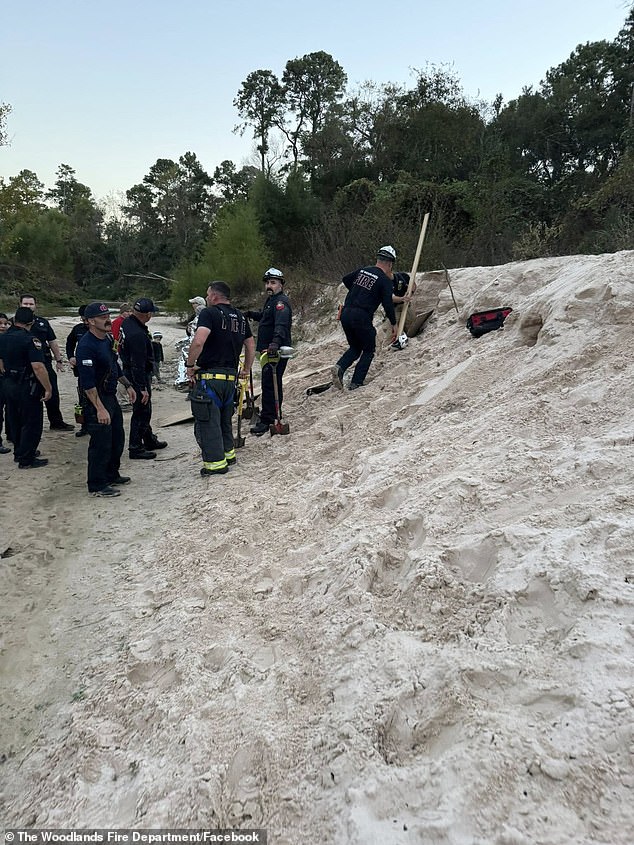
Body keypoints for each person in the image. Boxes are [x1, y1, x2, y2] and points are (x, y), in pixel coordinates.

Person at [185, 282, 255, 476]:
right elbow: (250, 344)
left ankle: (215, 465)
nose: (207, 298)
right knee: (225, 420)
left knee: (208, 423)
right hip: (230, 380)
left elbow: (199, 341)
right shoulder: (240, 317)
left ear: (214, 296)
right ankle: (228, 455)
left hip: (210, 379)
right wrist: (247, 369)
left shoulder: (209, 313)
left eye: (208, 295)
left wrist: (190, 365)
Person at [76, 302, 137, 497]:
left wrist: (127, 385)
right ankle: (97, 484)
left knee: (116, 438)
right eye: (102, 317)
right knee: (101, 443)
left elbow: (114, 365)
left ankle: (112, 474)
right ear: (90, 321)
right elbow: (87, 383)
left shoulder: (107, 338)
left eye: (108, 315)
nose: (107, 320)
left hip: (110, 397)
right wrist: (99, 409)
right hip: (95, 399)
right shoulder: (86, 346)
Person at [331, 246, 398, 390]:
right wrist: (394, 324)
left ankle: (339, 367)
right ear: (390, 263)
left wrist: (360, 291)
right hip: (361, 316)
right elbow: (388, 304)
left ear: (378, 259)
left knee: (355, 347)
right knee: (369, 349)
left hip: (345, 313)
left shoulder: (363, 270)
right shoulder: (384, 281)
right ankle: (356, 382)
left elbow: (346, 279)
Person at [1, 306, 52, 468]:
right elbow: (38, 367)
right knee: (31, 422)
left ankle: (19, 451)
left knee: (14, 419)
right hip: (27, 384)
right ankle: (26, 458)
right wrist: (48, 388)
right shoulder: (31, 339)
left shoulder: (3, 337)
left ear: (14, 320)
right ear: (31, 322)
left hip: (8, 383)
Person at [245, 268, 292, 436]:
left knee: (269, 383)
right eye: (267, 283)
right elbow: (266, 318)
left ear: (281, 284)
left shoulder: (281, 302)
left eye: (273, 282)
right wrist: (252, 314)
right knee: (271, 383)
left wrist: (275, 343)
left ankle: (267, 420)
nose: (269, 286)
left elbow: (281, 325)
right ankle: (272, 415)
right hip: (267, 350)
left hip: (274, 350)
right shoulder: (271, 301)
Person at [119, 297, 167, 459]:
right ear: (147, 314)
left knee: (144, 409)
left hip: (130, 370)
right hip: (136, 374)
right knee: (142, 410)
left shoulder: (128, 323)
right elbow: (137, 364)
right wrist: (142, 388)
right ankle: (135, 447)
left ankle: (148, 439)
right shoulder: (137, 334)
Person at [18, 293, 74, 430]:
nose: (28, 306)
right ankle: (21, 427)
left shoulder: (43, 323)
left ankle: (56, 421)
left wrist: (59, 359)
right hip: (23, 365)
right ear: (19, 305)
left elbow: (52, 341)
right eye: (25, 304)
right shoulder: (15, 322)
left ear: (35, 306)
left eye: (31, 304)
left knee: (52, 392)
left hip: (44, 362)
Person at [66, 305, 90, 437]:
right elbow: (69, 344)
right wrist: (71, 356)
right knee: (82, 399)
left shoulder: (100, 329)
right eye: (84, 319)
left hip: (99, 370)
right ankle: (83, 426)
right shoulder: (77, 329)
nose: (86, 322)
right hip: (81, 369)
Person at [0, 312, 13, 453]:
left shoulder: (9, 339)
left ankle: (12, 435)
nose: (3, 326)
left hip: (8, 380)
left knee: (11, 409)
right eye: (0, 324)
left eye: (5, 323)